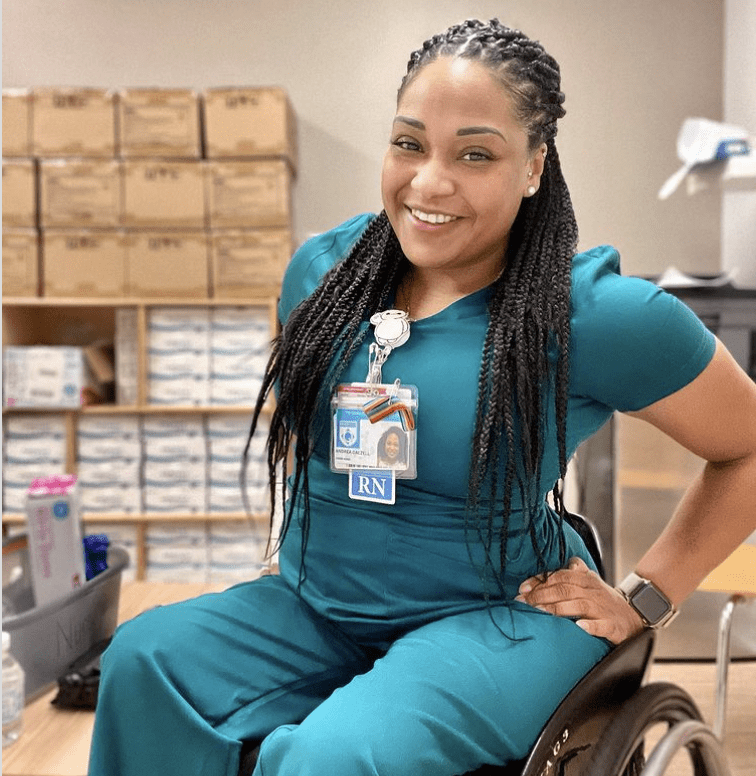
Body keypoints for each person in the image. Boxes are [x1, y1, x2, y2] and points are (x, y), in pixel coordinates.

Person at [88, 18, 756, 776]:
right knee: (142, 661)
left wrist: (649, 597)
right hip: (317, 606)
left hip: (502, 616)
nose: (430, 182)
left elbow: (747, 446)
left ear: (535, 166)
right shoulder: (322, 274)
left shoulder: (594, 317)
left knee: (336, 757)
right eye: (410, 143)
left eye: (475, 153)